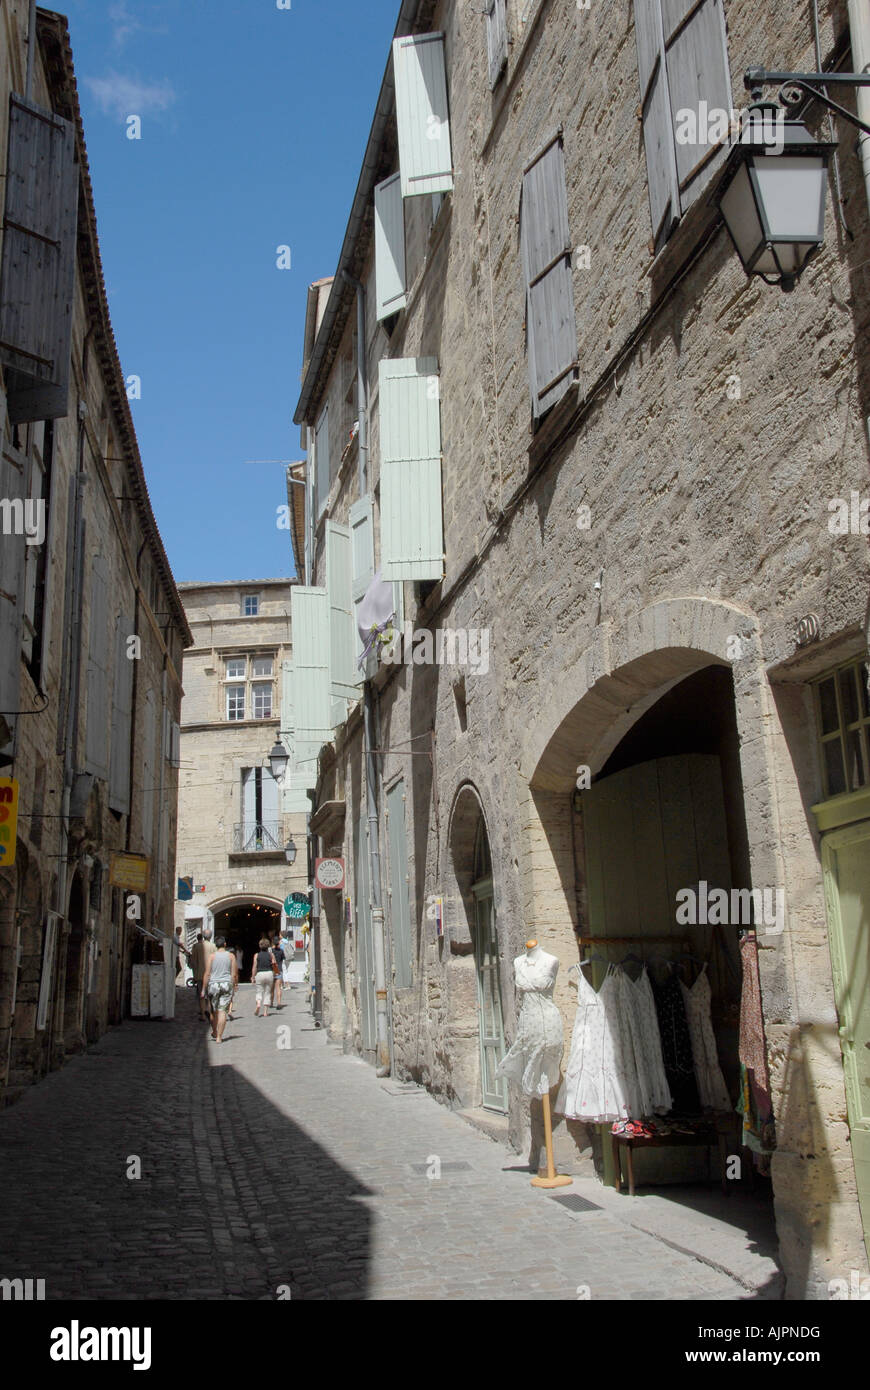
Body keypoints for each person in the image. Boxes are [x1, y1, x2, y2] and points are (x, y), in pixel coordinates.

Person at [202, 936, 237, 1043]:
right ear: (225, 944)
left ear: (216, 945)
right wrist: (234, 985)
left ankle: (214, 1031)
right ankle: (219, 1037)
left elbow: (207, 973)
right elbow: (234, 974)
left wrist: (203, 989)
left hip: (214, 985)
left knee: (214, 1011)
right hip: (226, 984)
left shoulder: (211, 957)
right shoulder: (231, 956)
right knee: (222, 1012)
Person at [190, 929, 216, 1021]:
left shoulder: (196, 946)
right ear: (211, 936)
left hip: (200, 974)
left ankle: (203, 1015)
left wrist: (194, 973)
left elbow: (193, 962)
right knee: (210, 995)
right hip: (211, 975)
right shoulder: (213, 946)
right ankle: (210, 1013)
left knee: (201, 995)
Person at [252, 937, 277, 1018]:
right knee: (267, 992)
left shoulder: (257, 955)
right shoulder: (271, 955)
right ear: (268, 946)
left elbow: (254, 966)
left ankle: (258, 1003)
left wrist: (253, 977)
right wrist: (275, 973)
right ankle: (265, 1012)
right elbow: (274, 964)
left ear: (260, 946)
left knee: (259, 991)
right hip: (269, 973)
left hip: (260, 973)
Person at [270, 934, 285, 1007]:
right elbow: (283, 959)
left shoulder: (271, 951)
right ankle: (279, 1003)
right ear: (279, 942)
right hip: (279, 969)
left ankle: (271, 1003)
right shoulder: (281, 951)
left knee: (272, 988)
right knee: (278, 987)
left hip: (272, 970)